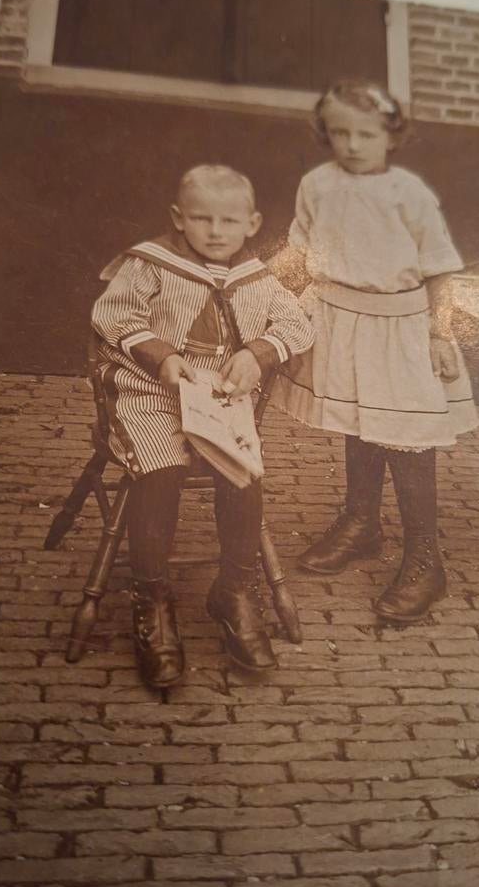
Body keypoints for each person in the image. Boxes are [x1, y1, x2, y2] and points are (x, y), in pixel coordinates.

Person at [91, 165, 314, 687]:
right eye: (201, 218)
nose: (216, 231)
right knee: (161, 472)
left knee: (243, 473)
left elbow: (297, 322)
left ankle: (234, 591)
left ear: (253, 222)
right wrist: (162, 357)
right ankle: (153, 601)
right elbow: (113, 314)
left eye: (229, 220)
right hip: (149, 394)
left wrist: (260, 353)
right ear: (178, 218)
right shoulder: (151, 265)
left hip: (218, 402)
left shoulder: (257, 277)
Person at [269, 80, 479, 624]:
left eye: (366, 133)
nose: (352, 144)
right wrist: (255, 291)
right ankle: (361, 524)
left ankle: (425, 561)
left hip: (401, 330)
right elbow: (298, 252)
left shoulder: (409, 195)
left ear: (391, 134)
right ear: (325, 134)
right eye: (340, 132)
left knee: (406, 437)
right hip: (338, 319)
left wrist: (439, 334)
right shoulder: (317, 184)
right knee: (359, 423)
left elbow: (440, 272)